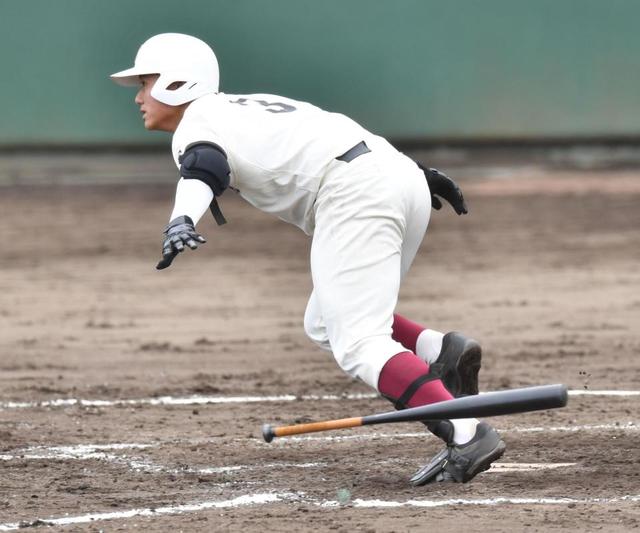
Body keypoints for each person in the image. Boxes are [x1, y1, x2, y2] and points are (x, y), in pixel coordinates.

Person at [110, 33, 505, 484]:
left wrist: (181, 218)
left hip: (357, 193)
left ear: (176, 83)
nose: (139, 96)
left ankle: (466, 431)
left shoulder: (197, 125)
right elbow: (332, 132)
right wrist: (419, 174)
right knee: (323, 322)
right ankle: (440, 352)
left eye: (146, 82)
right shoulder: (247, 106)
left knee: (358, 342)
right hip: (395, 176)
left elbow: (206, 166)